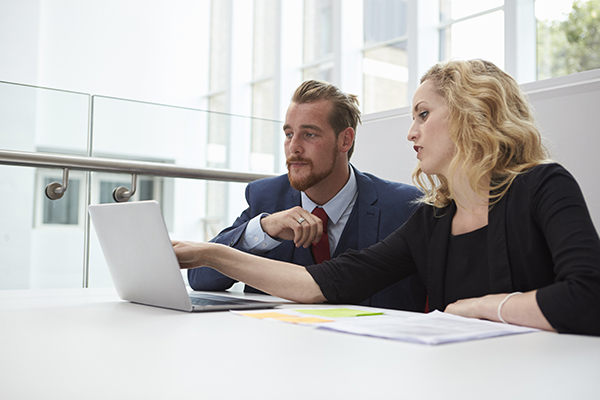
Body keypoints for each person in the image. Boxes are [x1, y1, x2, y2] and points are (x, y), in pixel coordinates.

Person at [174, 59, 600, 335]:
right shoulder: (432, 219)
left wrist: (484, 308)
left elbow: (589, 297)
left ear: (474, 113)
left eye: (423, 114)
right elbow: (321, 283)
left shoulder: (544, 186)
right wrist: (210, 253)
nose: (412, 132)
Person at [188, 79, 426, 312]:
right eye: (289, 134)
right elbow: (200, 278)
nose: (294, 148)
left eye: (309, 134)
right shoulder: (266, 197)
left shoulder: (403, 207)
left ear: (345, 140)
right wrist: (264, 229)